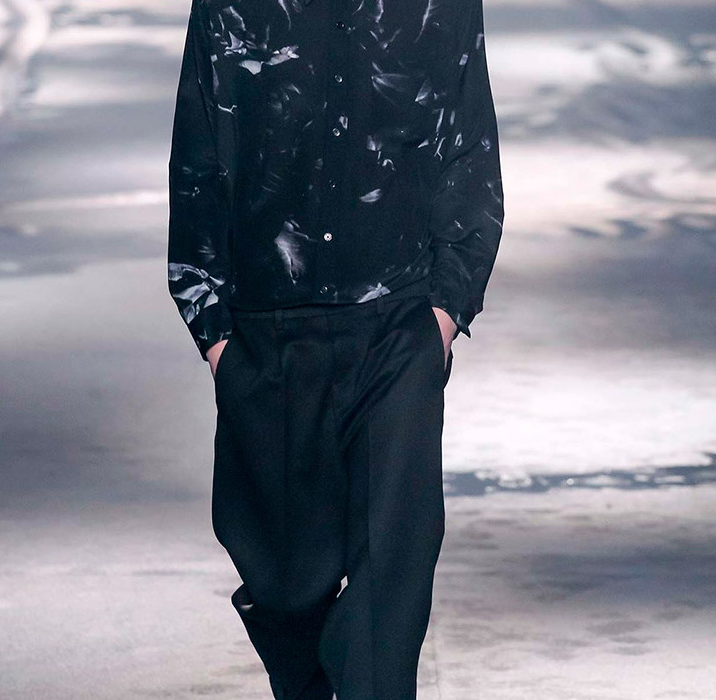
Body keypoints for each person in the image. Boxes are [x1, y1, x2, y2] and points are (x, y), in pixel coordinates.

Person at [167, 1, 504, 698]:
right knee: (284, 585)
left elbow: (468, 138)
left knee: (393, 576)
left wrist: (445, 311)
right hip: (265, 327)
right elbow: (198, 153)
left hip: (397, 318)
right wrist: (215, 332)